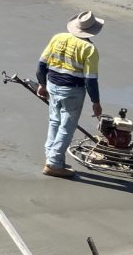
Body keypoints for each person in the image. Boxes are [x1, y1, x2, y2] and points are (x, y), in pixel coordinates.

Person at [35, 11, 104, 178]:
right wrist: (96, 103)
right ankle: (54, 164)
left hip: (53, 85)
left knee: (54, 122)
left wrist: (42, 85)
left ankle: (51, 158)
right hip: (72, 91)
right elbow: (90, 81)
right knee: (66, 127)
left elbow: (41, 65)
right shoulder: (89, 49)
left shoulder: (58, 38)